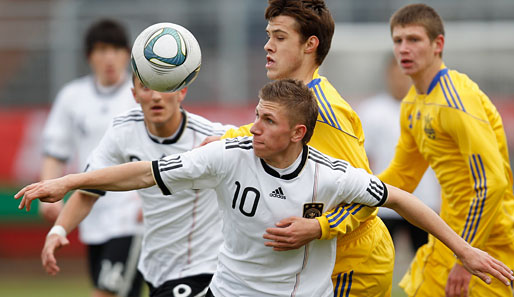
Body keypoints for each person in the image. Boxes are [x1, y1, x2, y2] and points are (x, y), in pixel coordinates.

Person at [15, 79, 514, 297]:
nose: (253, 126)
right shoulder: (228, 155)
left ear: (298, 133)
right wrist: (68, 180)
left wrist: (464, 251)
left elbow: (400, 198)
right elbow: (143, 171)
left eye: (267, 120)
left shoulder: (329, 174)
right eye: (255, 114)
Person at [206, 1, 396, 295]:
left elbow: (368, 198)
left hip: (353, 265)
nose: (268, 46)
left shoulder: (326, 111)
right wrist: (225, 140)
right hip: (315, 265)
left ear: (310, 44)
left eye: (280, 38)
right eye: (269, 36)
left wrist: (319, 226)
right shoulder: (292, 104)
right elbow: (250, 136)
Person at [40, 74, 233, 297]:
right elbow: (88, 191)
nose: (156, 97)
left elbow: (268, 159)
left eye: (165, 88)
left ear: (182, 92)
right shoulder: (124, 132)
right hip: (156, 268)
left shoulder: (211, 137)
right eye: (146, 88)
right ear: (135, 95)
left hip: (204, 269)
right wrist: (57, 230)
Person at [378, 4, 514, 297]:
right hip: (449, 239)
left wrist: (466, 258)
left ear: (437, 44)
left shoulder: (456, 99)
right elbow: (402, 175)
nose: (404, 48)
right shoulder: (413, 102)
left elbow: (492, 183)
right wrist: (351, 202)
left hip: (488, 244)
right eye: (398, 40)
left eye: (414, 40)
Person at [39, 19, 143, 297]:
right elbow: (55, 151)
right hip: (90, 213)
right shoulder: (72, 97)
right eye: (101, 50)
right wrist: (50, 191)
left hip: (130, 215)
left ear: (127, 54)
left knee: (105, 292)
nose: (109, 57)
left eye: (116, 49)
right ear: (89, 56)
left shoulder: (141, 97)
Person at [357, 53, 440, 252]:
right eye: (396, 74)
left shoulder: (430, 109)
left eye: (405, 75)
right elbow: (363, 158)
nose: (400, 80)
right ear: (387, 75)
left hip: (425, 202)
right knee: (377, 260)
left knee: (427, 262)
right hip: (384, 201)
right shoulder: (371, 111)